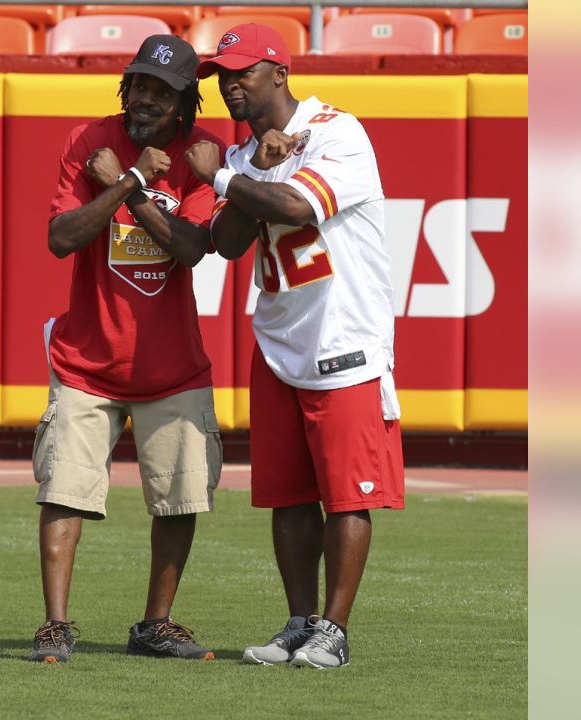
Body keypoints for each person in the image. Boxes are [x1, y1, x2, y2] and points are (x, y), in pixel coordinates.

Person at [187, 23, 405, 669]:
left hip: (343, 335)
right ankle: (298, 621)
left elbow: (297, 206)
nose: (230, 85)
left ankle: (333, 632)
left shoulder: (337, 131)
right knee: (286, 494)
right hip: (280, 338)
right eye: (222, 76)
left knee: (348, 493)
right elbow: (226, 243)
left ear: (279, 74)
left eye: (243, 72)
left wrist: (233, 182)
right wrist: (248, 167)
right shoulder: (245, 153)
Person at [29, 34, 225, 664]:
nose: (145, 99)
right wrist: (130, 181)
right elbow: (62, 237)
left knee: (181, 496)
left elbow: (193, 248)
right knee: (64, 489)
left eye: (161, 92)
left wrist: (130, 189)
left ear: (184, 101)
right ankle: (56, 627)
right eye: (139, 84)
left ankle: (155, 624)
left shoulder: (201, 154)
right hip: (87, 359)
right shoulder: (89, 140)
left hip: (172, 363)